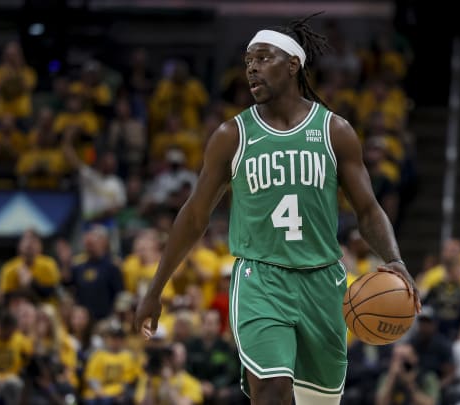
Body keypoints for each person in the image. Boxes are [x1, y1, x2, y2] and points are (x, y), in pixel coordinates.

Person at [135, 15, 419, 405]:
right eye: (247, 60)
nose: (251, 66)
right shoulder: (232, 136)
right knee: (270, 390)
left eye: (263, 57)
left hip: (323, 282)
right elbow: (195, 216)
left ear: (292, 64)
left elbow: (368, 210)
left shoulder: (335, 132)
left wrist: (395, 259)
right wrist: (156, 288)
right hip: (260, 279)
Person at [70, 225, 124, 321]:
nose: (90, 248)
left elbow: (119, 294)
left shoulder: (112, 266)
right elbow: (72, 289)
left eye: (92, 243)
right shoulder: (78, 265)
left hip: (106, 319)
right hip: (83, 321)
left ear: (104, 242)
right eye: (88, 244)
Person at [0, 229, 61, 302]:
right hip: (20, 309)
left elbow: (51, 293)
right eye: (26, 240)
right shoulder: (9, 268)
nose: (30, 243)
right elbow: (6, 298)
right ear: (19, 245)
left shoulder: (48, 264)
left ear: (40, 246)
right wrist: (22, 287)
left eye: (34, 241)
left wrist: (32, 282)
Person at [374, 344, 440, 405]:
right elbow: (381, 403)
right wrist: (392, 378)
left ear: (414, 358)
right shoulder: (387, 377)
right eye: (396, 359)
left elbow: (431, 403)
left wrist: (409, 384)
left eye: (404, 358)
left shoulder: (427, 376)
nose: (401, 364)